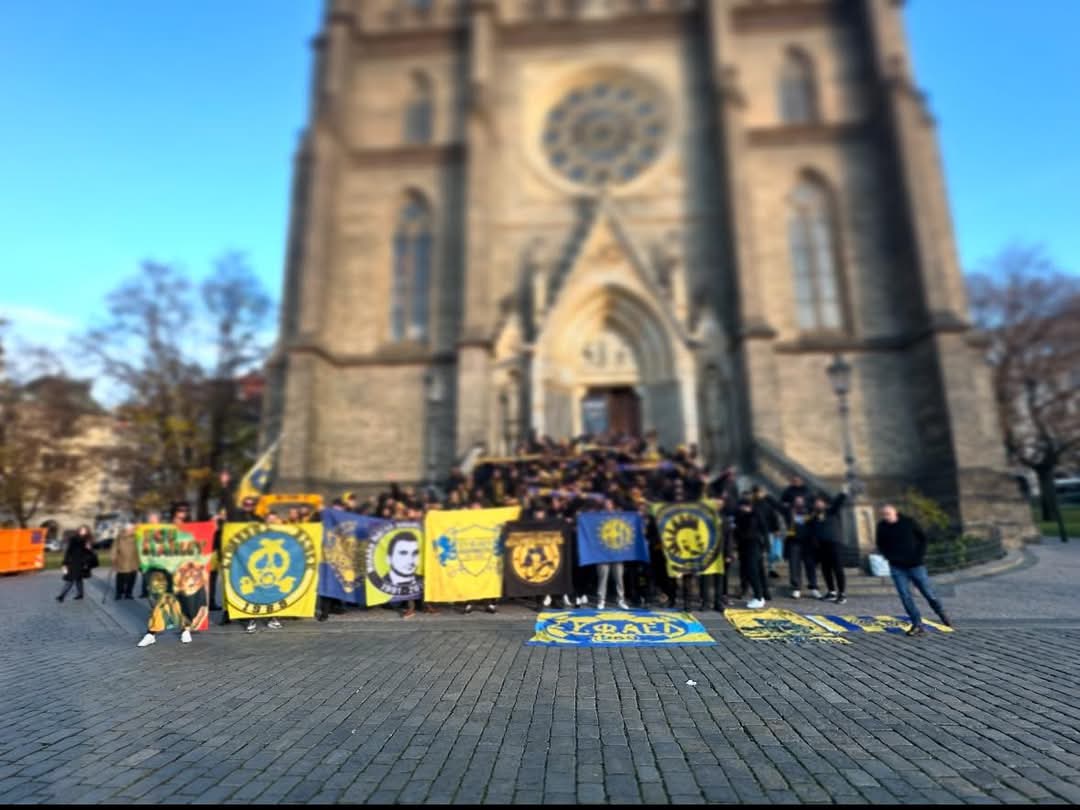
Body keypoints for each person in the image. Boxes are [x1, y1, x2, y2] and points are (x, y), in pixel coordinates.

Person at [875, 503, 952, 636]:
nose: (886, 517)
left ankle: (940, 612)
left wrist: (919, 555)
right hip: (897, 566)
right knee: (905, 596)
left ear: (895, 513)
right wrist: (888, 556)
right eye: (884, 514)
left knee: (928, 593)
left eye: (888, 514)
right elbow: (880, 544)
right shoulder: (882, 527)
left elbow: (922, 539)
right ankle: (917, 624)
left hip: (915, 565)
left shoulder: (908, 522)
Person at [806, 491, 847, 604]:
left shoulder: (831, 511)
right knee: (826, 569)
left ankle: (842, 594)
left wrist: (842, 493)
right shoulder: (813, 517)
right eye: (816, 503)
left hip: (834, 543)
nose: (817, 504)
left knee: (838, 568)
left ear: (824, 503)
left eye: (820, 502)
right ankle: (831, 591)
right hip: (821, 545)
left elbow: (838, 503)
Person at [732, 496, 768, 609]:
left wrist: (766, 546)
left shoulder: (754, 516)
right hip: (745, 546)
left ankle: (759, 596)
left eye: (745, 506)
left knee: (753, 571)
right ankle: (759, 595)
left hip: (753, 545)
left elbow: (757, 531)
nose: (743, 508)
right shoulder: (740, 516)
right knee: (750, 571)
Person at [785, 497, 821, 599]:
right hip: (794, 542)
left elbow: (816, 519)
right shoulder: (790, 512)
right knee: (794, 566)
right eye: (796, 501)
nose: (799, 503)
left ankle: (814, 587)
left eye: (800, 501)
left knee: (810, 566)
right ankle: (796, 588)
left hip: (807, 542)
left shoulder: (810, 512)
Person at [56, 526, 95, 602]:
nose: (83, 532)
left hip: (82, 563)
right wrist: (65, 562)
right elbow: (68, 552)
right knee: (72, 579)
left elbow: (90, 553)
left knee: (76, 579)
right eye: (82, 530)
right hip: (73, 563)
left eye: (84, 531)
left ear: (86, 532)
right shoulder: (73, 539)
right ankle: (64, 595)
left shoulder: (87, 540)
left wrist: (89, 549)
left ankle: (65, 596)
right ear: (79, 531)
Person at [112, 524, 139, 600]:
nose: (131, 531)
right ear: (126, 529)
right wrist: (113, 557)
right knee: (121, 578)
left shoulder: (137, 536)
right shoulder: (120, 537)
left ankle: (128, 593)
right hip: (122, 560)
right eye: (130, 529)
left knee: (132, 578)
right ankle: (119, 593)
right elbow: (114, 547)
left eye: (132, 529)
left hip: (133, 560)